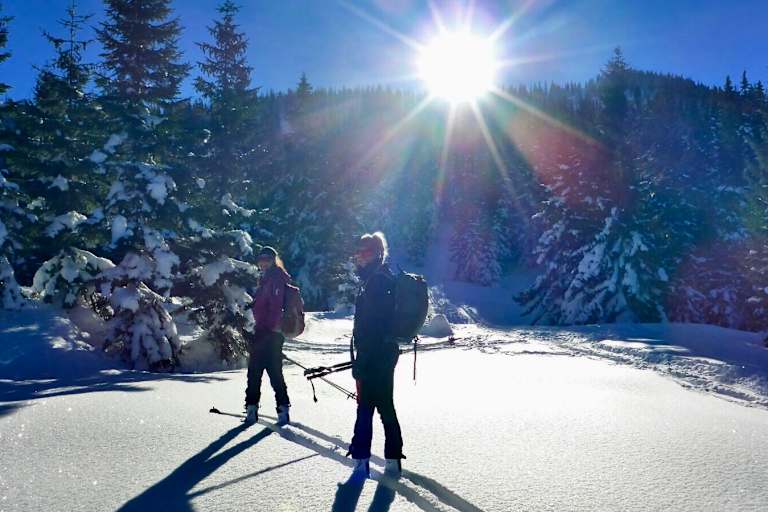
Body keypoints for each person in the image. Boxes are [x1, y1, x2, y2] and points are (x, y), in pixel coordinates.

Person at [348, 232, 404, 480]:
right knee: (384, 407)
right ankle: (392, 460)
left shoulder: (377, 282)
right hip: (384, 354)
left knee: (366, 408)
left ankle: (361, 462)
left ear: (378, 254)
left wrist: (362, 363)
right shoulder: (378, 278)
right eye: (359, 251)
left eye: (366, 252)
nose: (360, 256)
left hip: (375, 355)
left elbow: (373, 326)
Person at [245, 246, 291, 425]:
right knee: (269, 372)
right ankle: (278, 409)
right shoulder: (267, 278)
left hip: (270, 333)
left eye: (267, 259)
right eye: (261, 259)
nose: (263, 262)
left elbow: (275, 307)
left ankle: (255, 409)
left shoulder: (277, 278)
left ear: (273, 260)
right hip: (267, 331)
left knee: (260, 372)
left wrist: (266, 329)